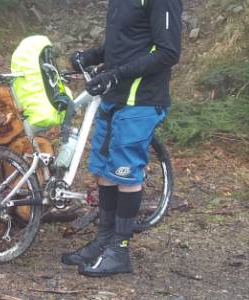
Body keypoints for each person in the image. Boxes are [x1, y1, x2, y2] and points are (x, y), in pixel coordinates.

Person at [62, 0, 182, 277]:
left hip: (140, 100)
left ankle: (120, 250)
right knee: (104, 171)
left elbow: (167, 52)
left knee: (125, 173)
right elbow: (124, 43)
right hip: (112, 98)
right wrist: (90, 56)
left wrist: (116, 75)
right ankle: (104, 240)